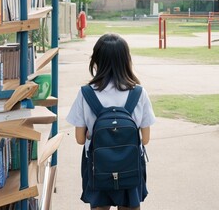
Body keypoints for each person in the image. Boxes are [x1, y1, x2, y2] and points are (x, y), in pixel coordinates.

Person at [67, 33, 156, 210]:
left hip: (97, 166)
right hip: (130, 166)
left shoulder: (86, 94)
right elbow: (145, 139)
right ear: (126, 60)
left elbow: (79, 139)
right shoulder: (139, 93)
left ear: (96, 60)